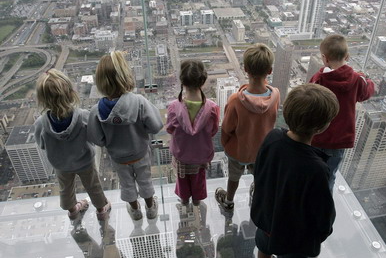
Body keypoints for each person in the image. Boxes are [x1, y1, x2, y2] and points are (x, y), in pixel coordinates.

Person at [251, 84, 339, 258]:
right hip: (294, 238)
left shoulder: (273, 137)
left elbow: (259, 171)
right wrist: (319, 235)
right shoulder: (317, 168)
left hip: (266, 220)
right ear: (320, 127)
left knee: (263, 247)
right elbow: (323, 213)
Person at [88, 51, 163, 221]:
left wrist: (109, 140)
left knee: (127, 184)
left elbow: (97, 139)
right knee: (145, 180)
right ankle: (151, 208)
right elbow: (156, 125)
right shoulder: (139, 101)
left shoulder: (96, 111)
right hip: (140, 153)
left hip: (118, 157)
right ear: (125, 76)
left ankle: (135, 211)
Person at [34, 69, 111, 221]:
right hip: (84, 161)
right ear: (70, 93)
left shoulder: (41, 124)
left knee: (66, 189)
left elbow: (42, 144)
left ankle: (72, 210)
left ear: (43, 99)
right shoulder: (83, 116)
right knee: (93, 185)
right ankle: (101, 209)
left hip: (61, 164)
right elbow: (95, 137)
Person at [215, 43, 280, 211]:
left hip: (238, 150)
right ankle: (258, 195)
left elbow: (227, 128)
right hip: (262, 151)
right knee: (259, 176)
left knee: (234, 177)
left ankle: (229, 201)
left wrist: (226, 144)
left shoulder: (236, 100)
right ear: (270, 71)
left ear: (245, 69)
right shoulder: (276, 95)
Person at [310, 34, 375, 190]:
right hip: (339, 140)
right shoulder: (357, 80)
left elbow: (308, 96)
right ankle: (324, 208)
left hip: (317, 136)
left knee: (311, 173)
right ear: (347, 56)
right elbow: (367, 92)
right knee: (330, 176)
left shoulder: (319, 79)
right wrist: (367, 78)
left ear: (325, 58)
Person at [166, 60, 220, 206]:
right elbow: (214, 130)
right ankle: (197, 203)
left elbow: (170, 129)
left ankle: (184, 202)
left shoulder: (173, 107)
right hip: (201, 155)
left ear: (182, 81)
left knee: (182, 180)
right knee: (198, 179)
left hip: (181, 154)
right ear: (203, 81)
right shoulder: (213, 109)